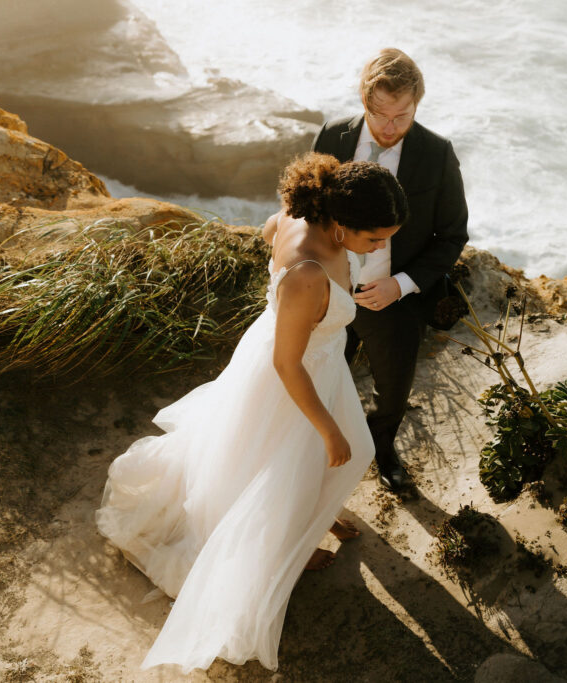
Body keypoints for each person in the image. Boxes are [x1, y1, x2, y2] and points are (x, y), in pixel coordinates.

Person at [96, 153, 407, 673]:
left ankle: (310, 523)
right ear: (338, 224)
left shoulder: (297, 217)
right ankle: (292, 543)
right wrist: (328, 430)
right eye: (374, 239)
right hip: (291, 380)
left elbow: (268, 232)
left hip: (308, 362)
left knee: (324, 460)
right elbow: (288, 363)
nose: (380, 249)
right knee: (293, 464)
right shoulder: (309, 273)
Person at [312, 48, 469, 492]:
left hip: (396, 300)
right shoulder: (332, 136)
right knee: (323, 379)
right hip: (329, 292)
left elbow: (453, 235)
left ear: (417, 103)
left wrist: (400, 285)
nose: (390, 127)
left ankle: (381, 448)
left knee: (394, 392)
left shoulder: (437, 154)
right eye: (380, 115)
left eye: (403, 116)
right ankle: (318, 454)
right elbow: (308, 211)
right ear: (365, 100)